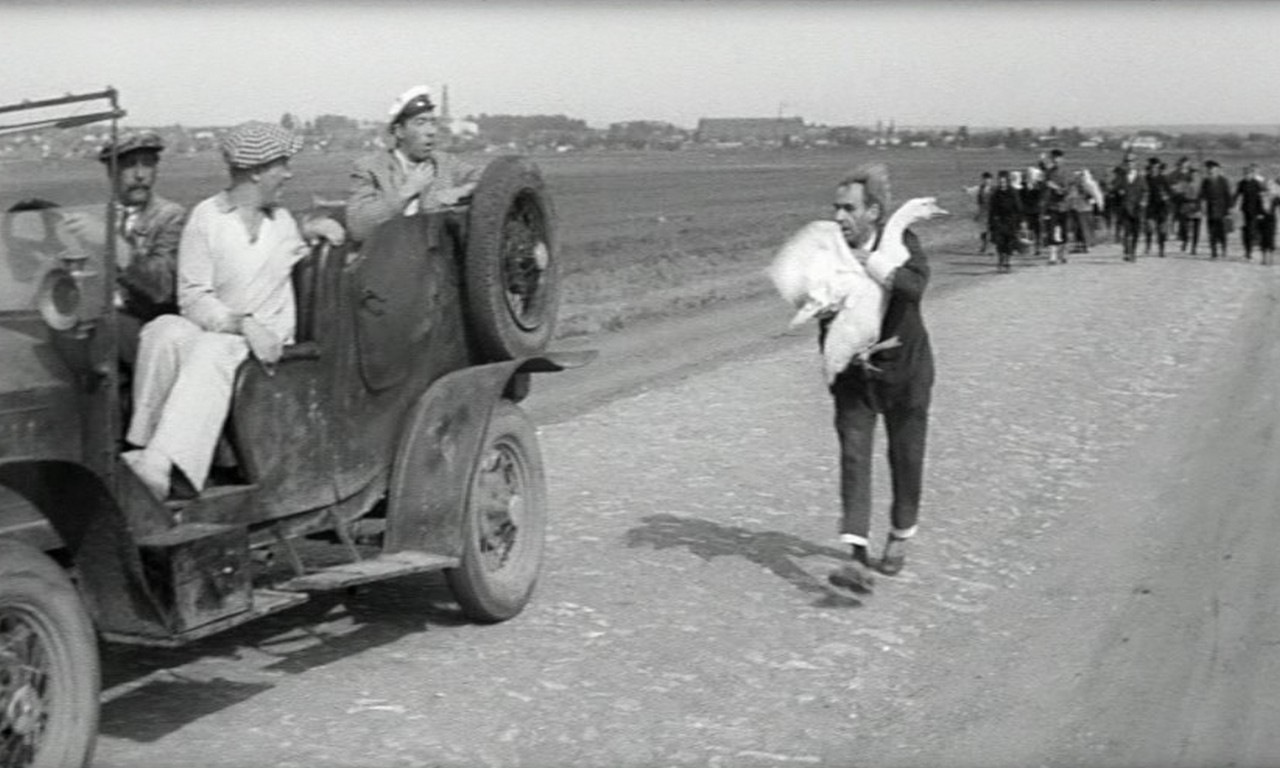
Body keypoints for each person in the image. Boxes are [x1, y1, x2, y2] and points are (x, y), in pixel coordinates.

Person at [122, 122, 343, 501]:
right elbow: (193, 298)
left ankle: (160, 464)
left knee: (213, 349)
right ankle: (142, 447)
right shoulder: (206, 218)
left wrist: (315, 226)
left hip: (272, 351)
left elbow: (297, 242)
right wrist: (239, 324)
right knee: (163, 329)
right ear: (256, 171)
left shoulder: (283, 221)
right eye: (281, 164)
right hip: (230, 334)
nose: (288, 173)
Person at [823, 164, 934, 594]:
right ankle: (855, 558)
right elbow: (824, 318)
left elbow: (914, 286)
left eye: (848, 208)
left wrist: (877, 266)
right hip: (857, 378)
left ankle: (901, 533)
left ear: (873, 211)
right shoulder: (831, 253)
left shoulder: (902, 242)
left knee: (906, 456)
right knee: (854, 456)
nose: (839, 217)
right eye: (836, 208)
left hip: (907, 371)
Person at [63, 130, 187, 360]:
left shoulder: (170, 217)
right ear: (112, 171)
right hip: (95, 322)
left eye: (148, 165)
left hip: (148, 328)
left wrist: (110, 241)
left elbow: (162, 288)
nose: (141, 175)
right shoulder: (99, 216)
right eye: (130, 166)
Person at [347, 85, 482, 244]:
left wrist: (462, 191)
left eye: (432, 123)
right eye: (420, 123)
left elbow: (492, 177)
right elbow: (358, 228)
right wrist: (406, 192)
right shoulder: (370, 169)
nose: (431, 131)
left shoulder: (446, 163)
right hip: (391, 260)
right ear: (399, 132)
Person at [988, 170, 1023, 273]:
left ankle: (1008, 262)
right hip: (999, 221)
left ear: (1007, 181)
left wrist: (1020, 222)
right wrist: (991, 223)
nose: (1002, 183)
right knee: (999, 242)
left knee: (1009, 243)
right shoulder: (996, 193)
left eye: (1004, 181)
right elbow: (992, 209)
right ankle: (1000, 261)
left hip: (1011, 221)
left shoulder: (1013, 192)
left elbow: (1019, 208)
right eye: (1000, 181)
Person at [1114, 154, 1147, 261]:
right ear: (1125, 164)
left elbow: (1145, 191)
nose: (1130, 164)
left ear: (1135, 163)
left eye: (1132, 161)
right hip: (1125, 208)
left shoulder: (1140, 177)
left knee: (1136, 231)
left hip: (1137, 208)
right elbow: (1114, 188)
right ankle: (1127, 251)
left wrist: (1143, 201)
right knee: (1127, 231)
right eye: (1128, 162)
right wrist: (1119, 192)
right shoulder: (1121, 177)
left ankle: (1133, 252)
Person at [1233, 164, 1267, 261]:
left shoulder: (1256, 183)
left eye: (1248, 173)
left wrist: (1261, 212)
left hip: (1254, 211)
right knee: (1244, 232)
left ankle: (1250, 251)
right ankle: (1247, 251)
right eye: (1245, 174)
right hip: (1244, 211)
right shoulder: (1241, 183)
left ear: (1252, 174)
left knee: (1251, 231)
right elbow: (1236, 195)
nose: (1247, 175)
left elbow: (1260, 198)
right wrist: (1231, 206)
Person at [1200, 160, 1233, 260]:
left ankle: (1224, 248)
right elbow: (1202, 196)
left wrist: (1229, 209)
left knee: (1222, 231)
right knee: (1212, 231)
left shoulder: (1223, 180)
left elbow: (1228, 195)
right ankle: (1213, 252)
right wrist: (1202, 206)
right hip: (1210, 209)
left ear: (1217, 170)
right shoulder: (1205, 181)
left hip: (1222, 209)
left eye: (1213, 169)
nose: (1211, 171)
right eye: (1209, 169)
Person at [1143, 159, 1172, 257]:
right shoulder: (1146, 179)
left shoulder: (1163, 179)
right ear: (1149, 168)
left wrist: (1166, 197)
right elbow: (1141, 190)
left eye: (1156, 168)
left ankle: (1161, 249)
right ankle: (1148, 246)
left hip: (1161, 206)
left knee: (1161, 229)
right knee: (1149, 227)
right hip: (1150, 206)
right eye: (1152, 167)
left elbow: (1170, 192)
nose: (1154, 169)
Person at [974, 171, 993, 255]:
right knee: (983, 230)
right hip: (983, 212)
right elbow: (979, 203)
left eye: (988, 179)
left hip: (992, 212)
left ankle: (990, 248)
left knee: (991, 230)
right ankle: (984, 246)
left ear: (991, 180)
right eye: (985, 179)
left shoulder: (994, 189)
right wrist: (978, 213)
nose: (986, 181)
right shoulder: (980, 189)